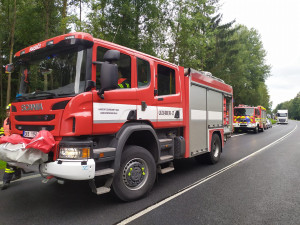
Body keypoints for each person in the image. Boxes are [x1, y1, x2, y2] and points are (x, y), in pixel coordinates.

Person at [1, 104, 22, 190]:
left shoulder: (17, 120)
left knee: (9, 161)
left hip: (15, 143)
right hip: (7, 142)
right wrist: (1, 134)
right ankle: (17, 174)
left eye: (9, 110)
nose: (8, 112)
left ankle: (6, 181)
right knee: (14, 160)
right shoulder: (6, 120)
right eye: (7, 111)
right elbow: (3, 129)